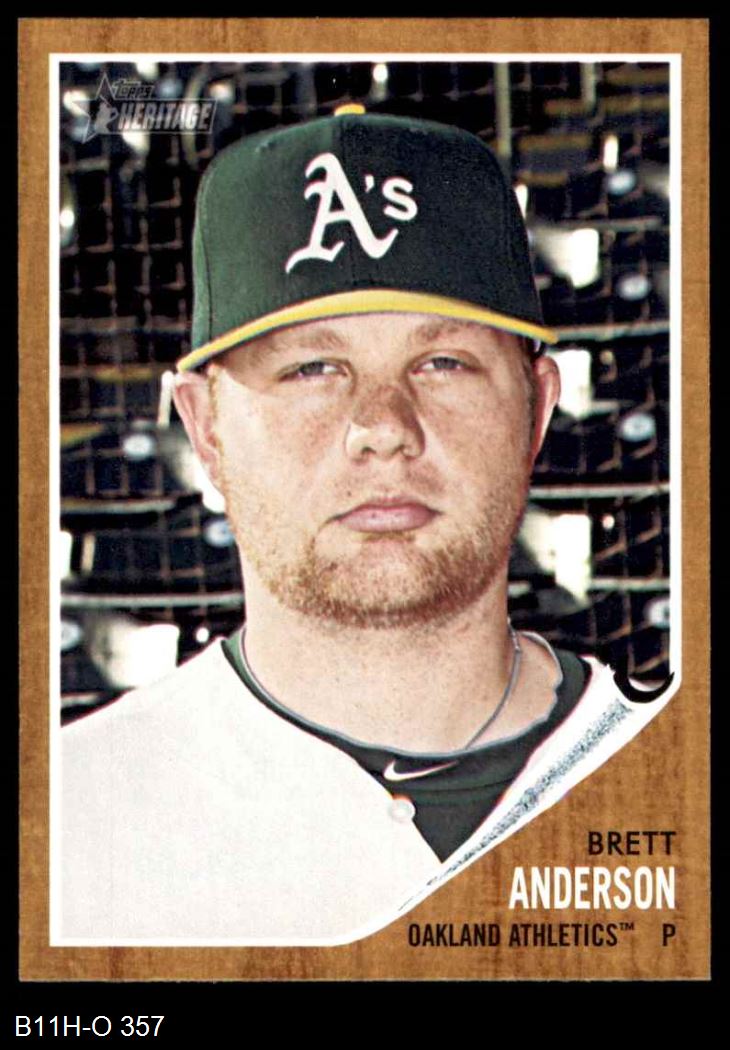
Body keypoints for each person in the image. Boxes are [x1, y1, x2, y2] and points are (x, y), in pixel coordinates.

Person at [59, 106, 670, 945]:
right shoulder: (68, 832)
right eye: (313, 368)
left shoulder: (674, 789)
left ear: (537, 409)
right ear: (204, 428)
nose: (383, 426)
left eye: (443, 362)